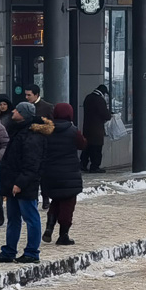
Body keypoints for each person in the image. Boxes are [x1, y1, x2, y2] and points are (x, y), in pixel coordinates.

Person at [0, 102, 46, 264]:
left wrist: (20, 183)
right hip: (12, 183)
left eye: (17, 109)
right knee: (13, 218)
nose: (13, 110)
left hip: (24, 185)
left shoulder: (32, 135)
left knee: (31, 218)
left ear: (23, 113)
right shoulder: (18, 130)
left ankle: (32, 252)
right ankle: (9, 251)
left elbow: (32, 164)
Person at [37, 102, 86, 245]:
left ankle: (49, 227)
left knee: (56, 199)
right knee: (68, 203)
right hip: (69, 173)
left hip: (50, 173)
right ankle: (63, 234)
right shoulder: (73, 130)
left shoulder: (47, 130)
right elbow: (82, 144)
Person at [81, 84, 112, 173]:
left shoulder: (88, 98)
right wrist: (109, 114)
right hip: (96, 130)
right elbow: (105, 115)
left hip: (87, 128)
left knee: (86, 147)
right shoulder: (99, 100)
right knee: (96, 149)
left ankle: (83, 164)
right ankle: (94, 167)